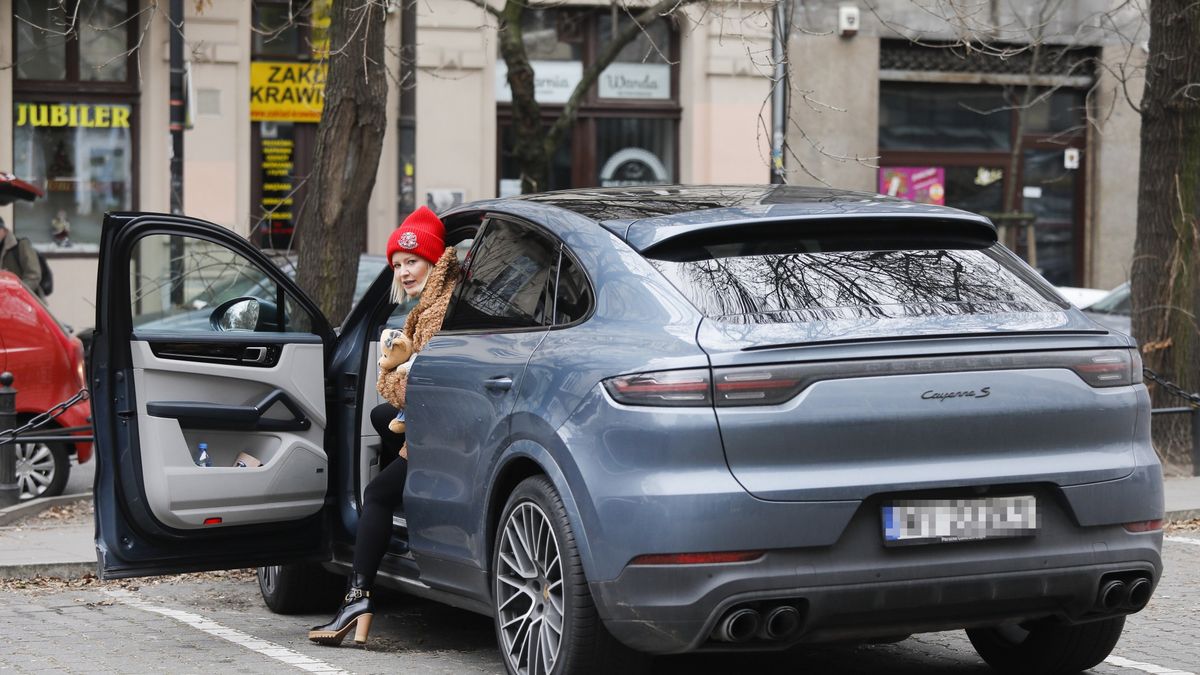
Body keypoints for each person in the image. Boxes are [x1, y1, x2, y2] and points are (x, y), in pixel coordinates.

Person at [308, 205, 462, 647]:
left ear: (434, 260)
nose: (405, 271)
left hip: (441, 429)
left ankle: (357, 596)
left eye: (412, 261)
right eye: (397, 265)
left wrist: (392, 374)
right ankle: (409, 504)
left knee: (376, 494)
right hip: (437, 421)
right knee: (380, 418)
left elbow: (417, 389)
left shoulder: (437, 311)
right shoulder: (432, 302)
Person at [0, 216, 44, 299]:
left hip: (26, 303)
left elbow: (34, 275)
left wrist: (17, 293)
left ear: (4, 230)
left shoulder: (21, 245)